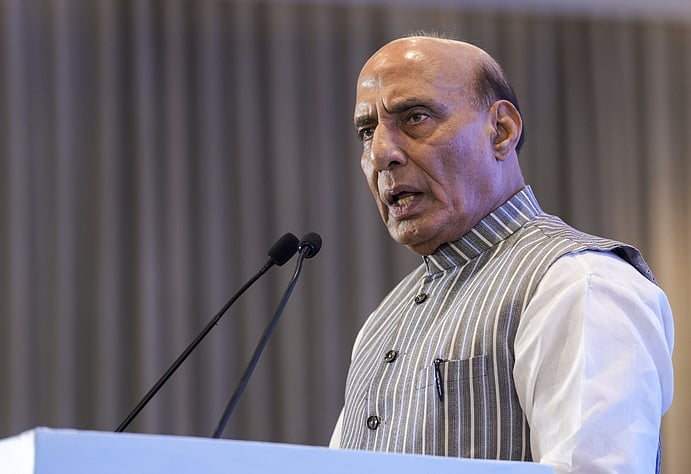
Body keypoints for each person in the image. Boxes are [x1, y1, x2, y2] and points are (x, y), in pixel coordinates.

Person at [329, 35, 674, 474]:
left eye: (415, 117)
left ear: (502, 131)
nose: (381, 154)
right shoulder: (382, 322)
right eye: (367, 132)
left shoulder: (580, 283)